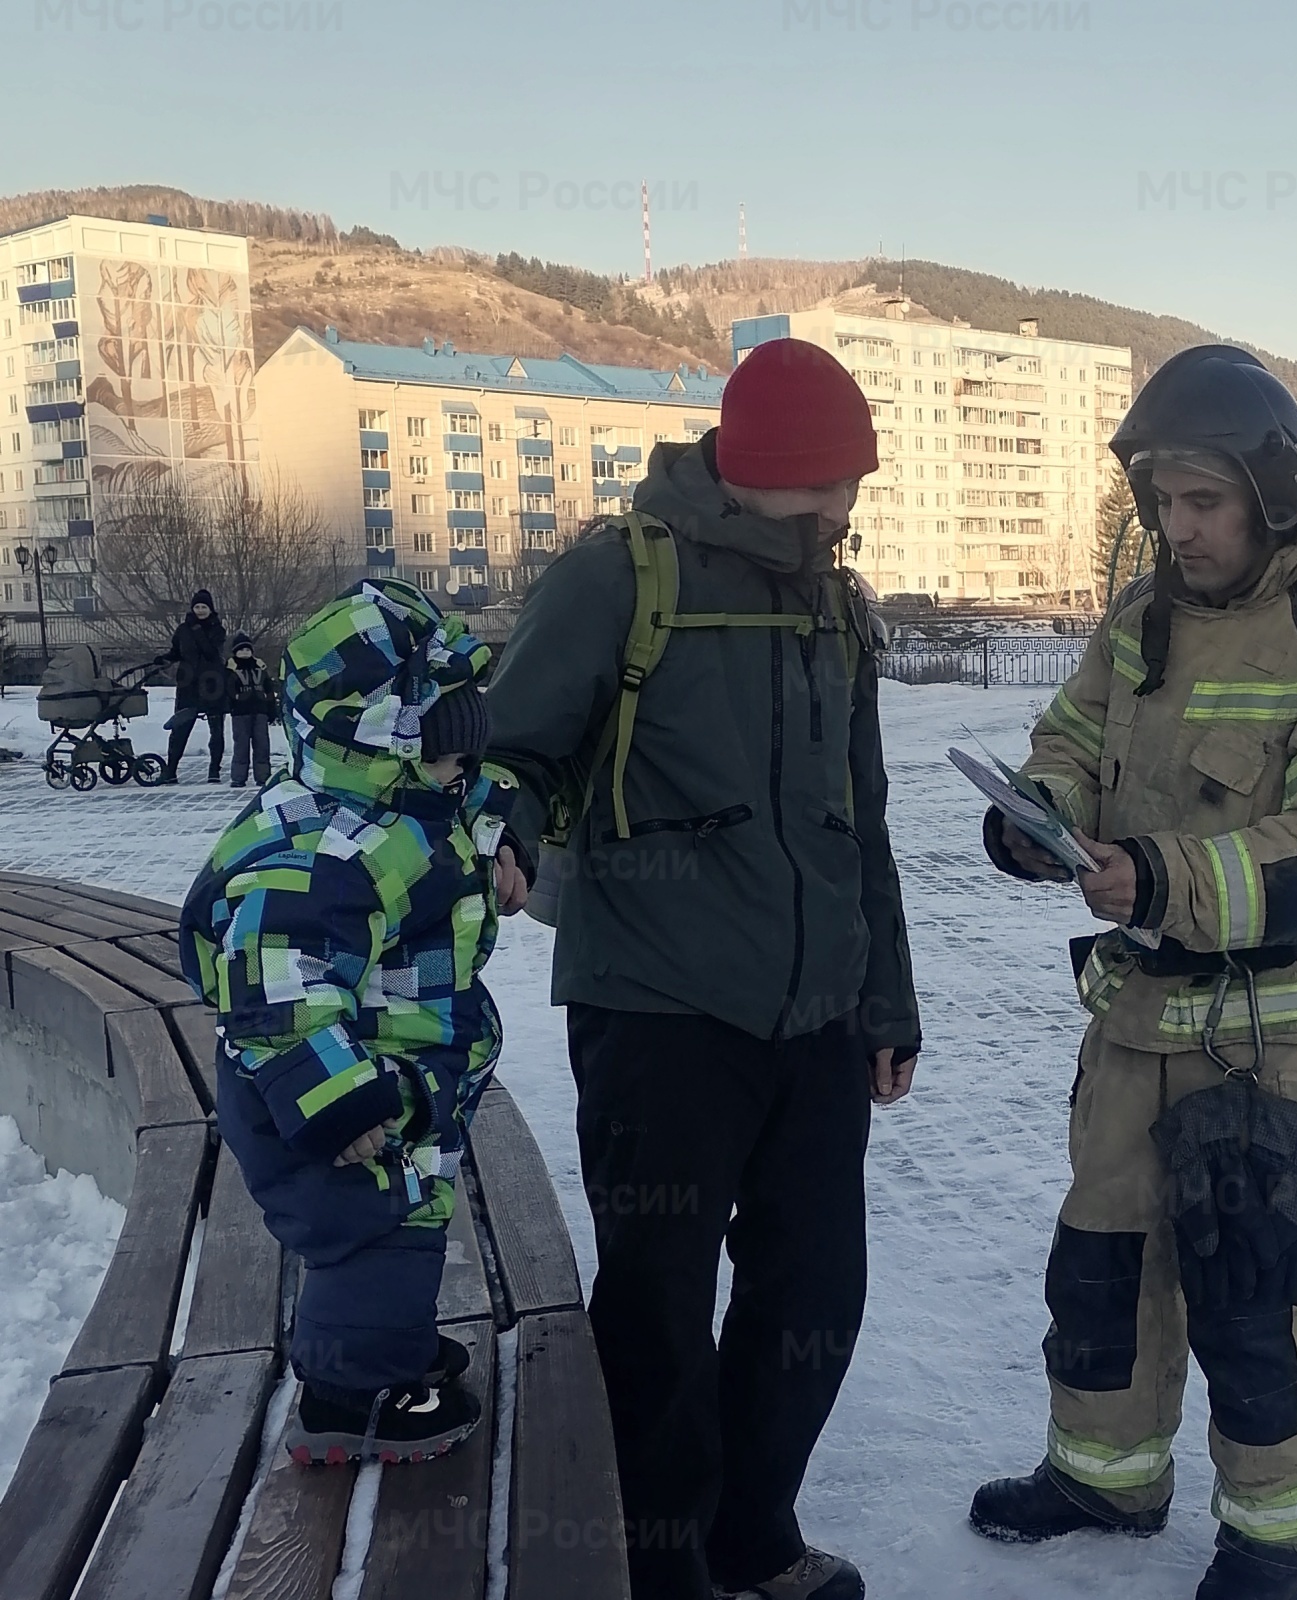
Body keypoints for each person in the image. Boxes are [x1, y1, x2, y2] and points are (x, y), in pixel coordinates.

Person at [967, 347, 1297, 1600]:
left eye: (1203, 501)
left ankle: (1277, 1537)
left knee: (1256, 1296)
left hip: (1277, 1043)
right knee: (1105, 1264)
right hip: (1134, 1026)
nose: (1179, 527)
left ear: (1271, 491)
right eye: (1163, 502)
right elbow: (1066, 739)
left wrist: (1162, 880)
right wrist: (1036, 814)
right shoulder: (1141, 620)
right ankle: (1103, 1479)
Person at [483, 336, 921, 1600]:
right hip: (658, 1009)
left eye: (853, 485)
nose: (844, 509)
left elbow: (864, 819)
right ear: (761, 466)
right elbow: (517, 746)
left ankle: (752, 1529)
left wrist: (884, 998)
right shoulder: (621, 578)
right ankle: (660, 1564)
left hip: (817, 1017)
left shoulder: (836, 606)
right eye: (828, 483)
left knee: (815, 1293)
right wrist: (501, 833)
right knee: (659, 1309)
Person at [178, 577, 511, 1464]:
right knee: (372, 1234)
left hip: (388, 1074)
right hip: (336, 1093)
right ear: (385, 744)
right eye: (446, 760)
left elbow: (458, 821)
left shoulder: (394, 806)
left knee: (402, 1223)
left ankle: (382, 1345)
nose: (460, 778)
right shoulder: (327, 849)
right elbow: (275, 983)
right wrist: (341, 1101)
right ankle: (350, 1398)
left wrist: (504, 828)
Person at [162, 587, 230, 784]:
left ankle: (214, 769)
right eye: (197, 607)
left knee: (215, 729)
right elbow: (176, 652)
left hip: (211, 683)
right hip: (188, 683)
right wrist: (163, 659)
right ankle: (171, 769)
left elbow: (210, 652)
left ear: (210, 609)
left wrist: (198, 629)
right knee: (180, 727)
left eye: (204, 607)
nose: (200, 610)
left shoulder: (217, 629)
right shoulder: (183, 630)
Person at [225, 632, 279, 788]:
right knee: (241, 746)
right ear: (235, 652)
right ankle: (238, 777)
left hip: (260, 711)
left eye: (247, 650)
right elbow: (226, 688)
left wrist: (271, 709)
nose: (245, 653)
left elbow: (268, 688)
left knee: (262, 745)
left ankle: (263, 776)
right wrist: (234, 701)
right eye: (241, 650)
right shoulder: (230, 668)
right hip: (240, 713)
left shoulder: (260, 667)